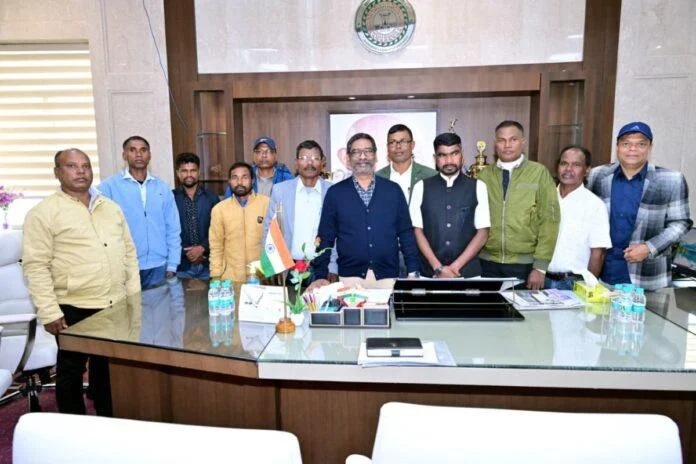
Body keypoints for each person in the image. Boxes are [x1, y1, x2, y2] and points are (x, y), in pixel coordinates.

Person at [22, 148, 140, 416]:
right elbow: (36, 266)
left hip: (114, 304)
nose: (81, 171)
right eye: (72, 166)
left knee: (107, 368)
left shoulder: (110, 208)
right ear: (57, 172)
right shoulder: (43, 213)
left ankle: (108, 418)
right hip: (74, 306)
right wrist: (49, 311)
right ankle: (74, 425)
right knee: (71, 370)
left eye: (85, 166)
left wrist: (133, 297)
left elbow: (129, 254)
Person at [587, 122, 692, 290]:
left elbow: (681, 223)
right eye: (626, 143)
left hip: (647, 276)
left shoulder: (671, 179)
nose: (632, 149)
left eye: (641, 144)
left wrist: (649, 248)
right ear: (617, 147)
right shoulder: (597, 175)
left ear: (649, 147)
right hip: (602, 273)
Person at [310, 133, 419, 290]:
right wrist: (320, 275)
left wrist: (413, 270)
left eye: (368, 151)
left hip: (388, 277)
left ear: (375, 156)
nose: (362, 156)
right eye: (356, 152)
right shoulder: (335, 193)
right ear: (348, 158)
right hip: (349, 279)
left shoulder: (393, 191)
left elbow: (406, 234)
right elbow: (325, 238)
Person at [476, 120, 560, 289]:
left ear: (523, 142)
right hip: (486, 263)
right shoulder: (484, 175)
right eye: (502, 140)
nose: (507, 145)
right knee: (489, 306)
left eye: (513, 139)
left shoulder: (538, 173)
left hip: (524, 264)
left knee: (520, 307)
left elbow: (549, 221)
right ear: (495, 144)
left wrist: (540, 267)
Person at [99, 135, 181, 289]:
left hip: (159, 266)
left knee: (159, 305)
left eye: (143, 150)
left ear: (149, 155)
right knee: (130, 306)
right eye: (132, 150)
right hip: (125, 267)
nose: (138, 154)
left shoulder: (162, 188)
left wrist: (172, 264)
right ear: (124, 155)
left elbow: (173, 228)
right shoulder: (108, 187)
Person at [409, 132, 490, 278]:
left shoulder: (478, 186)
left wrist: (454, 268)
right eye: (442, 155)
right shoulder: (421, 187)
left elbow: (483, 233)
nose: (449, 160)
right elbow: (417, 231)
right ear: (435, 158)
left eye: (454, 153)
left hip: (467, 274)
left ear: (462, 154)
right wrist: (438, 268)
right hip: (430, 273)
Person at [262, 140, 338, 283]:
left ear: (323, 163)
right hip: (289, 269)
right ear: (296, 163)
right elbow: (269, 229)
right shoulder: (280, 191)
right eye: (304, 158)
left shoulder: (332, 191)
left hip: (323, 269)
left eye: (315, 158)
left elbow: (338, 234)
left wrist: (333, 267)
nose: (309, 163)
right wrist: (271, 268)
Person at [546, 145, 612, 290]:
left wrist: (587, 288)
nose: (568, 169)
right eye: (564, 163)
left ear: (587, 170)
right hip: (540, 280)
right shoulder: (545, 198)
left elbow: (598, 253)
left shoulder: (595, 205)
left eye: (576, 165)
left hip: (574, 283)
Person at [210, 161, 270, 282]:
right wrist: (215, 275)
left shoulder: (267, 204)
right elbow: (216, 246)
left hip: (261, 278)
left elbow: (275, 244)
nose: (240, 182)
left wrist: (270, 274)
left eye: (245, 177)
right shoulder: (219, 209)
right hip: (230, 279)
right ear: (229, 181)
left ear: (253, 180)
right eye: (235, 177)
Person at [172, 152, 220, 280]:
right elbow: (165, 230)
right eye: (184, 171)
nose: (189, 175)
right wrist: (187, 252)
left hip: (208, 265)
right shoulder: (170, 198)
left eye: (193, 170)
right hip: (181, 266)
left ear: (199, 173)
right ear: (178, 173)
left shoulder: (211, 198)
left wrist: (202, 247)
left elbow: (219, 230)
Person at [376, 123, 437, 203]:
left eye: (403, 141)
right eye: (393, 142)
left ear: (412, 145)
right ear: (387, 147)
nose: (398, 146)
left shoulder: (431, 176)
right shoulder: (376, 178)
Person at [224, 137, 294, 198]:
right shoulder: (245, 176)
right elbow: (227, 203)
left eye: (268, 151)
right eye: (259, 151)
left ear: (275, 155)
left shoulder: (286, 178)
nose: (264, 155)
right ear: (254, 155)